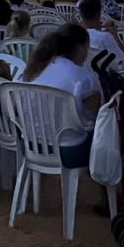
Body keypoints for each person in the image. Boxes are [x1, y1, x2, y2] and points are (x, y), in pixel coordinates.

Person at [23, 24, 102, 171]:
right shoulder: (84, 77)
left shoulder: (38, 69)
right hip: (68, 151)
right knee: (108, 135)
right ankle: (111, 180)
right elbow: (97, 118)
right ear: (79, 47)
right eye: (86, 48)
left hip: (31, 145)